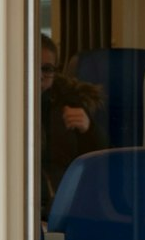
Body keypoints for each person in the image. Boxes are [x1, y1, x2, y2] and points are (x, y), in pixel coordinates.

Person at [41, 34, 105, 220]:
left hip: (63, 200)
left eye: (47, 69)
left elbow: (97, 164)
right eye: (30, 66)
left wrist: (88, 130)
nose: (39, 76)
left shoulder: (71, 102)